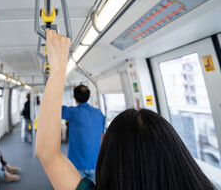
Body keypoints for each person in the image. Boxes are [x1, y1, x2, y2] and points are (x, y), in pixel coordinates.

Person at [35, 29, 215, 190]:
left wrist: (58, 69)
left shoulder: (72, 112)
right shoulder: (99, 114)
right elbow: (100, 135)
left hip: (79, 162)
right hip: (91, 160)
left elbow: (48, 150)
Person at [62, 84, 105, 181]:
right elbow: (102, 137)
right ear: (88, 97)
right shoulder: (99, 113)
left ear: (74, 97)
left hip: (77, 163)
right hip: (95, 162)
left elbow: (54, 108)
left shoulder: (72, 112)